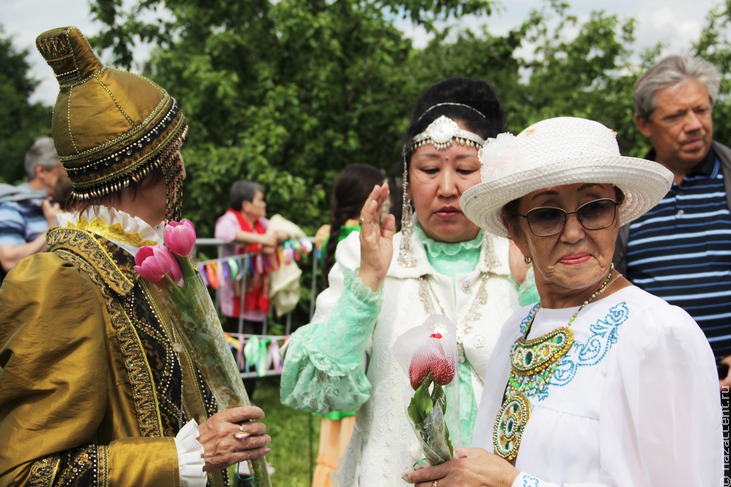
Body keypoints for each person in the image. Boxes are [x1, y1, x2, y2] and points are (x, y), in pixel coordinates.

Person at [0, 26, 270, 486]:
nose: (183, 167)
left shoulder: (140, 259)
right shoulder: (59, 279)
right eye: (176, 154)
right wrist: (182, 458)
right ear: (154, 166)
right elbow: (24, 473)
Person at [409, 116, 722, 486]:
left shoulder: (658, 333)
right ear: (515, 232)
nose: (574, 233)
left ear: (617, 214)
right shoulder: (518, 327)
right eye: (546, 215)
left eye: (594, 208)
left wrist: (514, 484)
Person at [281, 77, 521, 485]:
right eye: (429, 169)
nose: (447, 188)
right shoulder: (367, 257)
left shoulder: (522, 255)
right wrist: (369, 282)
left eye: (465, 169)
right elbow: (317, 391)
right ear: (408, 178)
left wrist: (531, 286)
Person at [613, 55, 731, 378]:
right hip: (657, 386)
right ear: (644, 124)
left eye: (701, 110)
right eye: (677, 115)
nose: (694, 125)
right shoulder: (624, 195)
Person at [311, 162, 387, 487]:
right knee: (347, 445)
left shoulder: (328, 235)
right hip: (355, 353)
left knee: (331, 445)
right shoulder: (363, 242)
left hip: (335, 348)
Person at [215, 180, 281, 334]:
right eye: (260, 200)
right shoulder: (230, 219)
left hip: (257, 295)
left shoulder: (261, 224)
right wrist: (262, 239)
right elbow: (223, 233)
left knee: (258, 346)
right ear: (246, 205)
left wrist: (277, 236)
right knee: (241, 345)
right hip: (238, 297)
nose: (264, 204)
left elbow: (283, 228)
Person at [0, 136, 64, 283]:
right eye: (60, 170)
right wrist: (52, 229)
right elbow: (9, 260)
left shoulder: (61, 202)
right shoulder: (11, 206)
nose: (66, 176)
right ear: (41, 171)